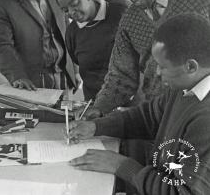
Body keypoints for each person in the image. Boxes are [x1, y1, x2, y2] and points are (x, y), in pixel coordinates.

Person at [67, 13, 210, 194]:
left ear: (191, 66)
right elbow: (148, 117)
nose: (157, 73)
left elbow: (183, 192)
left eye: (163, 66)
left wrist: (121, 165)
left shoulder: (205, 120)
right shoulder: (184, 86)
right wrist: (96, 127)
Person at [87, 0, 210, 118]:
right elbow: (120, 75)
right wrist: (100, 108)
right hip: (157, 114)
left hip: (200, 111)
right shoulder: (129, 20)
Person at [54, 0, 130, 100]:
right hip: (95, 102)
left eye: (74, 4)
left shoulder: (122, 11)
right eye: (65, 10)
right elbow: (77, 60)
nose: (72, 12)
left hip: (131, 100)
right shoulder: (73, 32)